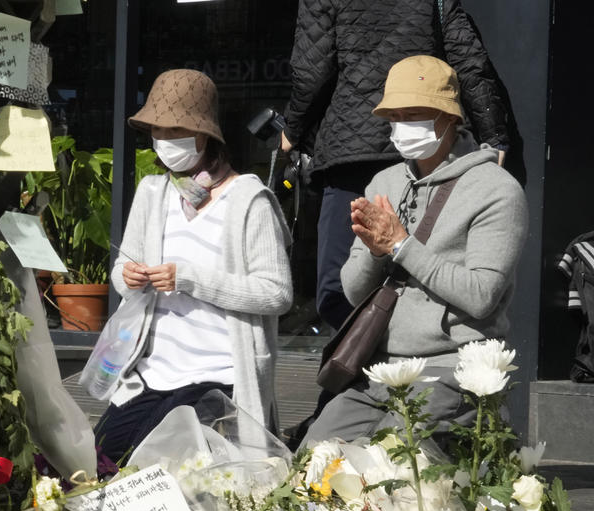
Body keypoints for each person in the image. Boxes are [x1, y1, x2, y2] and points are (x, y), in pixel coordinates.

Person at [300, 55, 527, 448]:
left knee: (394, 469)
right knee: (313, 458)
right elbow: (354, 294)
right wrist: (374, 253)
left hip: (451, 371)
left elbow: (481, 296)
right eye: (395, 116)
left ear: (450, 117)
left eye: (415, 113)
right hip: (378, 367)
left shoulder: (497, 190)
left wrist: (402, 245)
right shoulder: (383, 182)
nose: (403, 126)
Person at [92, 69, 293, 465]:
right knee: (99, 465)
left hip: (218, 377)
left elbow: (277, 293)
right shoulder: (154, 192)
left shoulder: (248, 198)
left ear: (203, 135)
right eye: (157, 132)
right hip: (150, 372)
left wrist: (189, 279)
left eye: (174, 132)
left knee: (170, 474)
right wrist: (128, 277)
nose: (163, 143)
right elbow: (123, 269)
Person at [281, 0, 514, 332]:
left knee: (342, 287)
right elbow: (468, 58)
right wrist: (494, 132)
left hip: (350, 151)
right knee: (417, 273)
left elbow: (312, 71)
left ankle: (359, 366)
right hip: (424, 151)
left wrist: (292, 129)